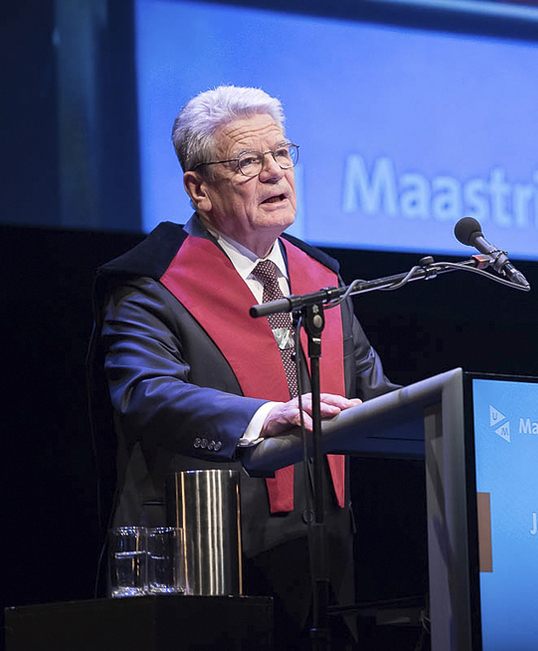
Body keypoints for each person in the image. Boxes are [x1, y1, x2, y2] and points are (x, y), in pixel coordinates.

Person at [89, 85, 398, 649]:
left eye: (282, 154)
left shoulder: (321, 278)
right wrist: (266, 415)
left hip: (324, 557)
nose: (275, 173)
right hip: (207, 549)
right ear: (198, 189)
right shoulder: (151, 284)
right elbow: (145, 392)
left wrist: (463, 407)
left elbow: (372, 391)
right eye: (247, 162)